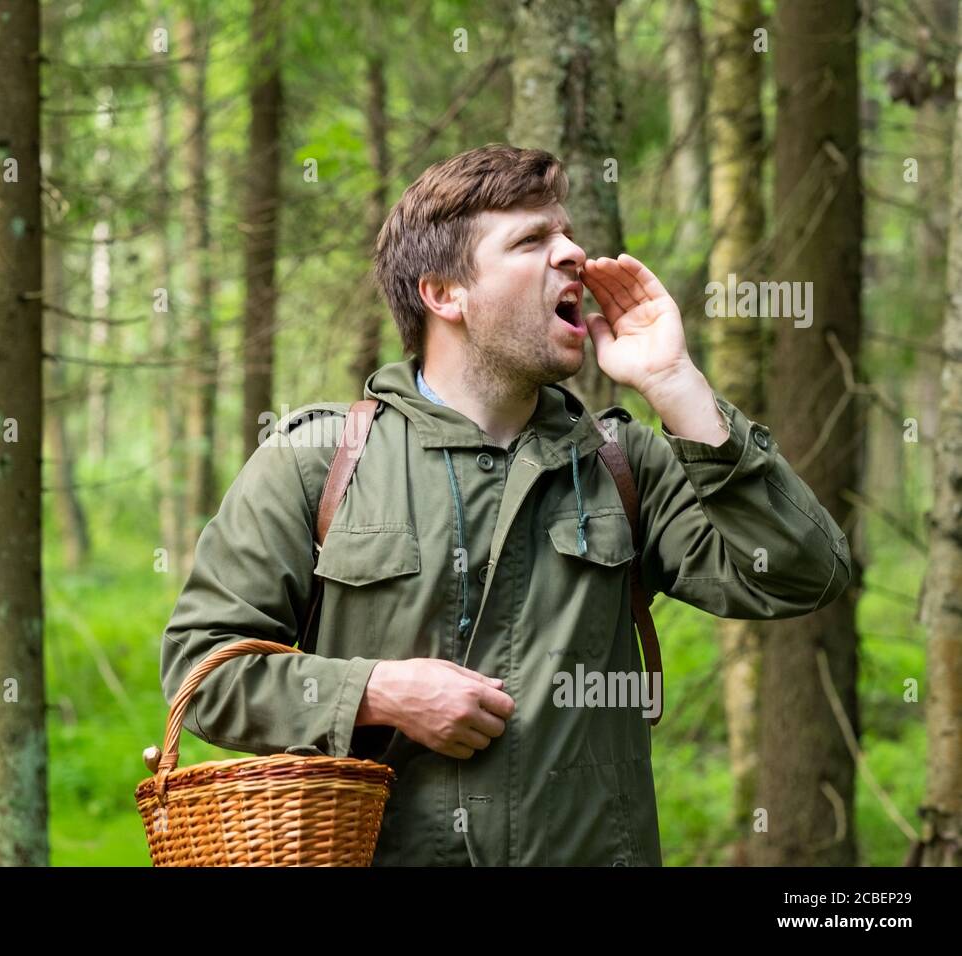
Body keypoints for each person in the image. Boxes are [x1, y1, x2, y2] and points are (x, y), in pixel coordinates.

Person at [159, 143, 850, 866]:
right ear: (444, 294)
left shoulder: (623, 464)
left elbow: (804, 575)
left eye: (567, 231)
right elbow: (202, 670)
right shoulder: (318, 460)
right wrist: (375, 691)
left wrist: (676, 385)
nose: (574, 253)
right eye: (532, 240)